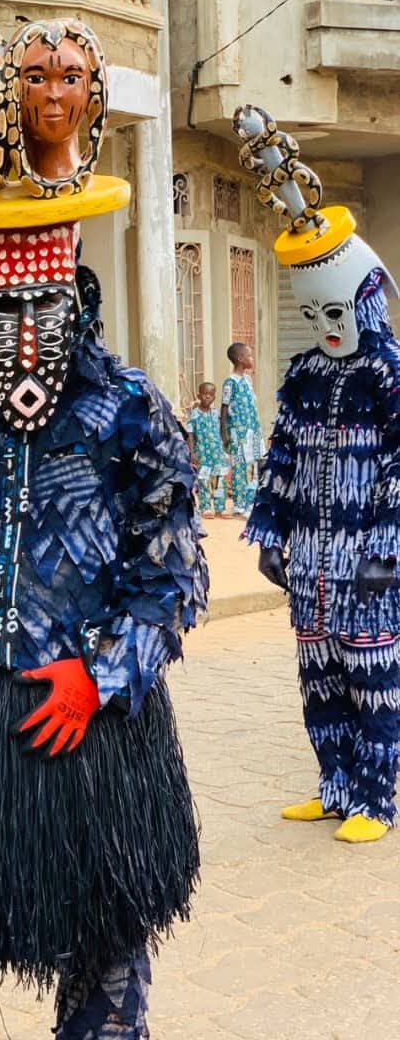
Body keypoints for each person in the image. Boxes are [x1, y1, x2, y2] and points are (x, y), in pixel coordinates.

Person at [0, 20, 208, 1039]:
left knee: (106, 991)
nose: (21, 334)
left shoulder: (132, 409)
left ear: (73, 295)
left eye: (40, 308)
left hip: (94, 739)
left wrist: (102, 676)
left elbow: (170, 572)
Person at [236, 104, 400, 844]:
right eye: (315, 316)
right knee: (320, 680)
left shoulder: (389, 374)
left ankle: (375, 800)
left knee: (374, 682)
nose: (327, 327)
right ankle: (334, 787)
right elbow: (280, 457)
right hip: (308, 562)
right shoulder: (304, 374)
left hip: (366, 564)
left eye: (338, 311)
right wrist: (270, 533)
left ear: (365, 300)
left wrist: (385, 551)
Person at [220, 342, 266, 517]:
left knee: (255, 466)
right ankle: (240, 505)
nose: (252, 359)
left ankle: (251, 502)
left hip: (254, 430)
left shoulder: (248, 380)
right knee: (240, 468)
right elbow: (224, 408)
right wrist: (224, 434)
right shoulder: (230, 382)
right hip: (239, 433)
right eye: (249, 356)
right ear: (240, 359)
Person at [186, 381, 230, 518]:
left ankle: (220, 507)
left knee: (219, 481)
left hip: (217, 453)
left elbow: (222, 430)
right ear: (199, 395)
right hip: (203, 454)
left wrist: (225, 447)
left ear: (214, 397)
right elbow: (190, 434)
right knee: (203, 480)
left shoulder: (216, 414)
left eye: (211, 394)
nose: (207, 397)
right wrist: (192, 452)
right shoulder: (194, 414)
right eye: (205, 394)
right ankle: (205, 507)